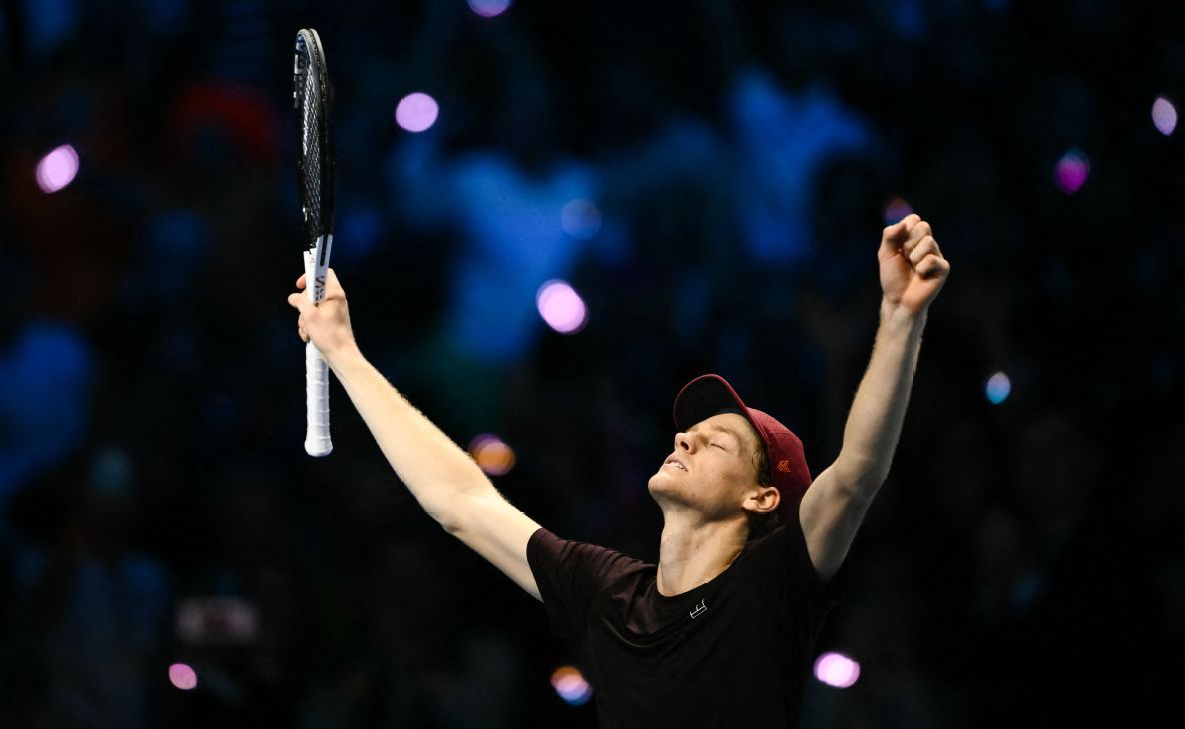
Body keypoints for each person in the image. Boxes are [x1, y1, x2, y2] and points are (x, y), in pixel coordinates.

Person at [287, 213, 949, 728]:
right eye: (687, 430)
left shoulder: (771, 586)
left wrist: (900, 317)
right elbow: (459, 497)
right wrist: (345, 353)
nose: (685, 438)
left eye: (716, 441)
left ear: (761, 497)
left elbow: (858, 470)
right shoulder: (607, 591)